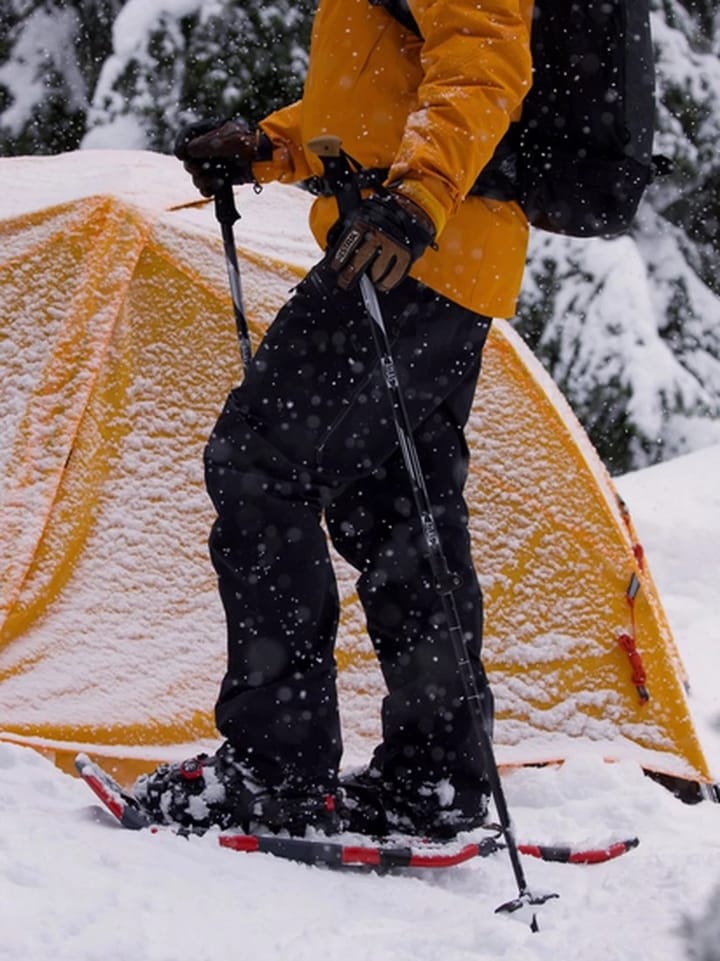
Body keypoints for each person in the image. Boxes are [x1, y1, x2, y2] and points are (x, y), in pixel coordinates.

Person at [133, 0, 533, 840]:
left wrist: (419, 196)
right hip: (437, 255)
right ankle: (437, 775)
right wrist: (273, 146)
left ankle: (272, 770)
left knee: (256, 459)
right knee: (395, 508)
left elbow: (482, 61)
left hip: (407, 250)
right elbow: (380, 86)